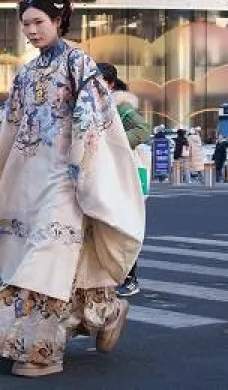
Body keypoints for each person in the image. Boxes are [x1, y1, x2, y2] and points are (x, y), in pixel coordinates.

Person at [0, 0, 145, 379]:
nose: (31, 30)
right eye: (25, 24)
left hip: (68, 177)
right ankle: (107, 309)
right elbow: (9, 127)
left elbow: (96, 123)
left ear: (59, 20)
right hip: (29, 177)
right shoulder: (26, 75)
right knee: (53, 257)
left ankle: (42, 350)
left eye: (38, 22)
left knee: (47, 254)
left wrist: (83, 164)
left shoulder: (80, 64)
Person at [97, 61, 150, 299]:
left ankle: (129, 278)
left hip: (124, 173)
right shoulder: (96, 105)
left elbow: (142, 130)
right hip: (104, 172)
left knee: (123, 225)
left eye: (96, 82)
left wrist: (114, 144)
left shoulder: (122, 105)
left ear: (109, 84)